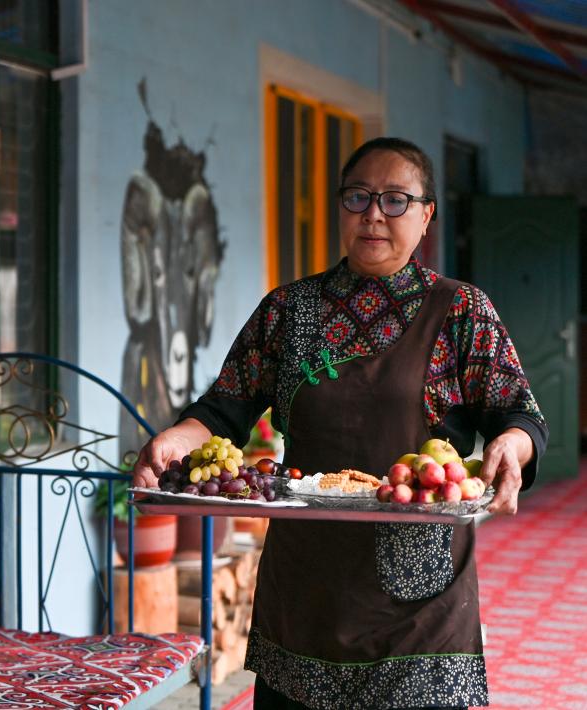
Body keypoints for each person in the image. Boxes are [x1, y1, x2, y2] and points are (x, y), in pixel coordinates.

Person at [133, 137, 547, 709]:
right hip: (306, 590)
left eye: (396, 199)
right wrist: (176, 439)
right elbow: (224, 407)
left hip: (420, 606)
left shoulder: (461, 312)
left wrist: (512, 445)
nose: (374, 213)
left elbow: (518, 414)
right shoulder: (289, 309)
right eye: (358, 196)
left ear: (427, 215)